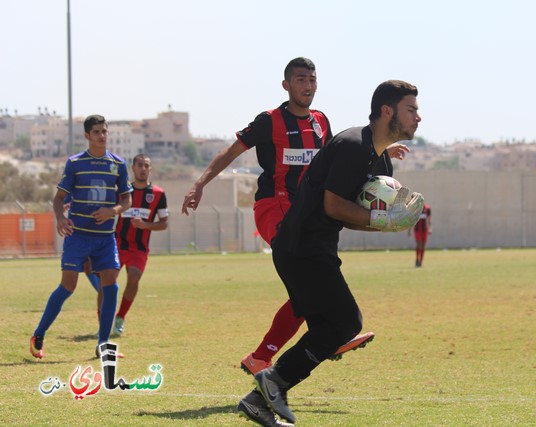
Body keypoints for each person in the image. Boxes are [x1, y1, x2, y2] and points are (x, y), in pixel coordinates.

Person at [182, 58, 408, 381]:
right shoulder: (269, 121)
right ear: (286, 85)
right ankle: (327, 336)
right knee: (308, 280)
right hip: (273, 209)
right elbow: (231, 152)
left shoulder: (320, 122)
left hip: (306, 213)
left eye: (312, 80)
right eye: (301, 79)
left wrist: (384, 147)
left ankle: (266, 356)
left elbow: (339, 156)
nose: (308, 86)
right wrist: (200, 183)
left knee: (307, 287)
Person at [238, 80, 424, 426]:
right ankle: (272, 382)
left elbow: (347, 214)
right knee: (345, 323)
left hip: (315, 247)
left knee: (331, 328)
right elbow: (333, 205)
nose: (418, 117)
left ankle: (258, 400)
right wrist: (383, 218)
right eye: (411, 109)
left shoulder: (382, 164)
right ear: (387, 111)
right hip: (299, 245)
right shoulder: (353, 145)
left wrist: (389, 223)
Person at [29, 114, 132, 359]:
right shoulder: (75, 163)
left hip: (105, 238)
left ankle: (103, 345)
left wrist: (113, 210)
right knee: (68, 286)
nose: (101, 135)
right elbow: (58, 200)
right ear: (87, 135)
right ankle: (39, 334)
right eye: (96, 132)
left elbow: (127, 200)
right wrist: (61, 219)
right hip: (78, 237)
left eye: (104, 131)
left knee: (111, 286)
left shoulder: (118, 164)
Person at [111, 153, 169, 335]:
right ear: (133, 168)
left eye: (146, 166)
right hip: (118, 244)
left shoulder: (158, 194)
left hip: (139, 247)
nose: (143, 169)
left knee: (134, 277)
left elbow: (164, 223)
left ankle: (120, 317)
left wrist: (146, 225)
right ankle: (103, 320)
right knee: (108, 281)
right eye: (140, 165)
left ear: (150, 169)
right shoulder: (123, 192)